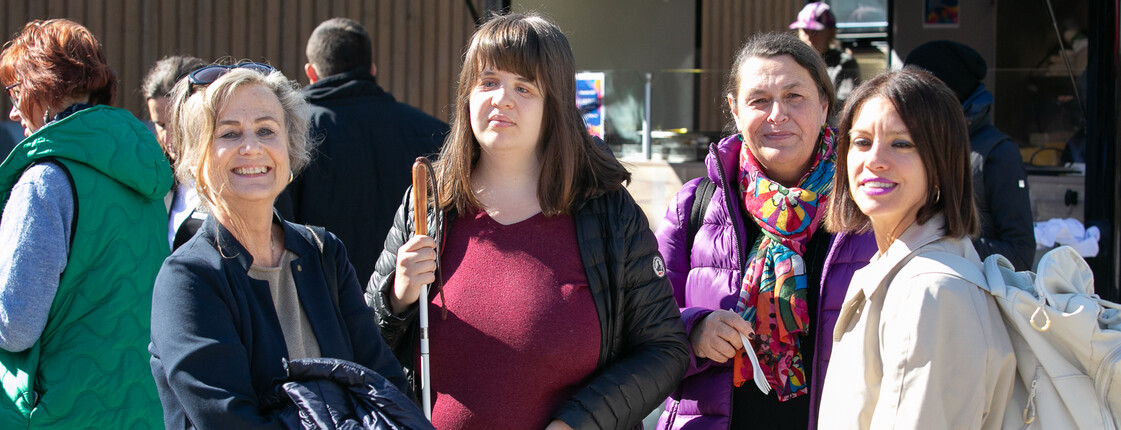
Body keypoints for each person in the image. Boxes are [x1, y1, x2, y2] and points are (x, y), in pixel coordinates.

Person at [368, 13, 689, 430]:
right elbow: (365, 344)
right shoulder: (428, 204)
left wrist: (578, 423)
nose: (502, 99)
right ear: (467, 94)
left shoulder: (608, 212)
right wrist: (397, 297)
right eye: (488, 82)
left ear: (554, 104)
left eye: (524, 87)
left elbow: (664, 349)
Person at [148, 63, 407, 428]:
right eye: (229, 133)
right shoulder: (188, 279)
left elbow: (384, 387)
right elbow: (230, 421)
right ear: (198, 155)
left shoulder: (323, 253)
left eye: (266, 130)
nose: (251, 147)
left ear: (290, 147)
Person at [655, 32, 875, 430]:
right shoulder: (694, 206)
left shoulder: (866, 209)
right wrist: (693, 330)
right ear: (735, 110)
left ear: (824, 105)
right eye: (759, 100)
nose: (777, 114)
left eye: (795, 96)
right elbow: (642, 326)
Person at [818, 67, 1016, 428]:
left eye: (902, 143)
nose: (875, 159)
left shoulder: (929, 290)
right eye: (861, 141)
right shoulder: (899, 268)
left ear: (941, 165)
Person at [0, 19, 170, 428]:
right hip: (142, 405)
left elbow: (15, 325)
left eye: (15, 91)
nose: (11, 109)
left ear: (41, 87)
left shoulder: (45, 180)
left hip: (60, 408)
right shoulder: (140, 170)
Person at [277, 17, 448, 283]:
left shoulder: (289, 134)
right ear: (372, 69)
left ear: (311, 72)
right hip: (408, 304)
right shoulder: (433, 132)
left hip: (323, 305)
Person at [905, 40, 1036, 270]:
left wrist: (944, 244)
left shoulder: (998, 152)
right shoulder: (908, 146)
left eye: (916, 98)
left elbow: (1020, 253)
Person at [142, 55, 209, 250]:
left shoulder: (240, 178)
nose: (170, 139)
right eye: (161, 125)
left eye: (178, 123)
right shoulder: (155, 179)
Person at [790, 2, 861, 118]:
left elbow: (847, 102)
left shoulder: (844, 63)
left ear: (831, 32)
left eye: (815, 31)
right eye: (804, 30)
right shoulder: (792, 62)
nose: (809, 37)